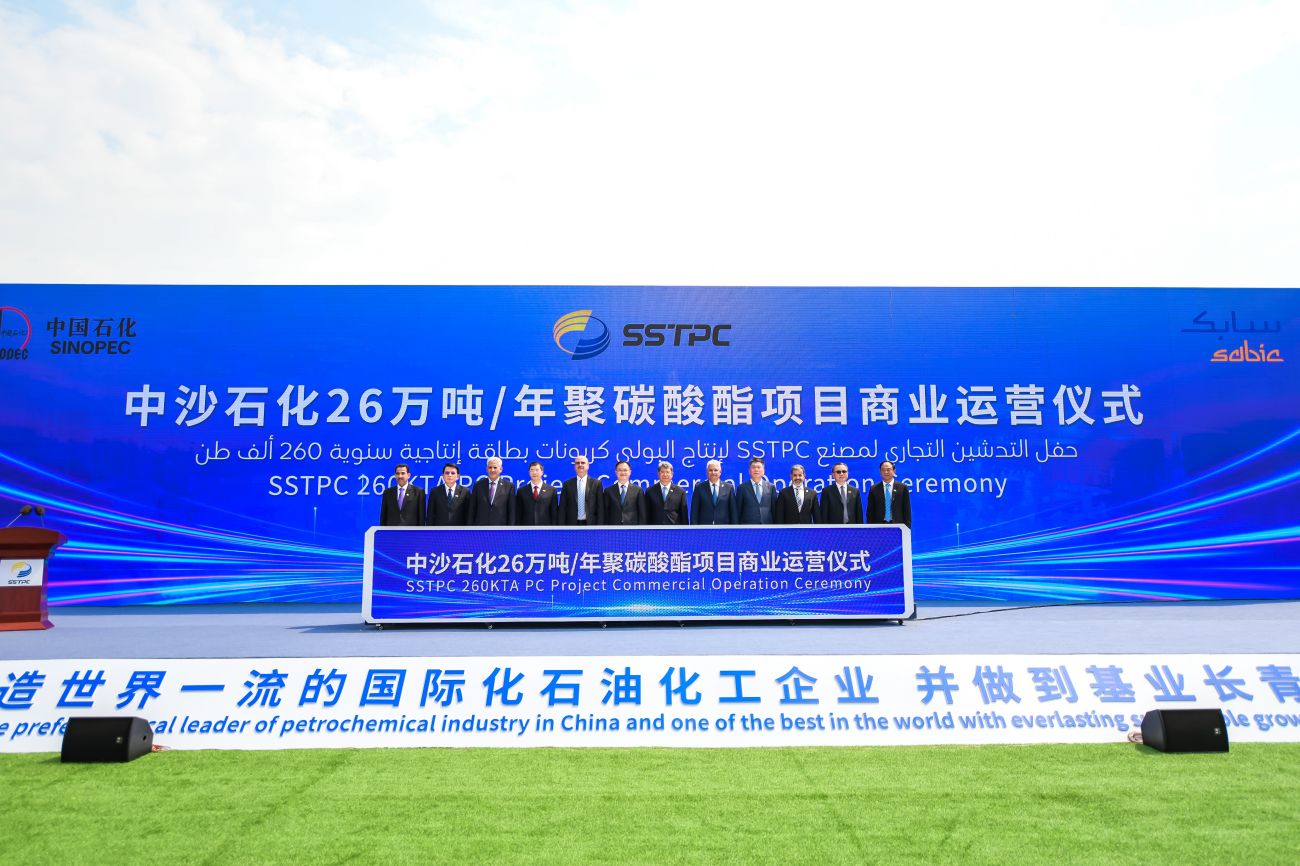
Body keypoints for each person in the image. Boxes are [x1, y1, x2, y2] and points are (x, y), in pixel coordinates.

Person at [469, 457, 515, 525]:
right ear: (487, 469)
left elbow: (512, 511)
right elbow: (472, 509)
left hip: (500, 528)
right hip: (480, 528)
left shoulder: (509, 486)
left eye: (495, 467)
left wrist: (510, 529)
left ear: (501, 469)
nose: (492, 470)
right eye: (490, 467)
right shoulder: (478, 485)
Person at [866, 459, 912, 529]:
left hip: (898, 526)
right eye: (883, 470)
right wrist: (870, 528)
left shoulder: (902, 488)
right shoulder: (874, 489)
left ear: (894, 471)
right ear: (880, 472)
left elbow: (907, 510)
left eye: (888, 469)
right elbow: (870, 512)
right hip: (879, 527)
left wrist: (907, 528)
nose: (886, 472)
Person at [690, 459, 737, 525]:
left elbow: (733, 512)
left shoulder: (729, 488)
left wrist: (734, 529)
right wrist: (694, 529)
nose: (713, 472)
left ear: (720, 472)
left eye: (715, 470)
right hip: (704, 528)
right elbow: (694, 512)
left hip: (724, 528)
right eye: (710, 470)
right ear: (707, 472)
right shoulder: (699, 488)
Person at [561, 454, 603, 526]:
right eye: (577, 463)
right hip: (571, 524)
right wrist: (561, 526)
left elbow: (600, 507)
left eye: (583, 463)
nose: (580, 464)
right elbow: (563, 507)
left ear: (588, 466)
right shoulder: (567, 484)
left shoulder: (596, 484)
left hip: (591, 524)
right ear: (574, 466)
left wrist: (600, 526)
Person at [602, 460, 646, 525]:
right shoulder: (608, 491)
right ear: (616, 472)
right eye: (620, 470)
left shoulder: (638, 490)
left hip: (632, 527)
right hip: (613, 527)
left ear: (630, 472)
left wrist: (641, 528)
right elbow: (605, 513)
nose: (622, 472)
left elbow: (642, 513)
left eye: (625, 470)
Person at [516, 461, 560, 526]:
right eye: (532, 470)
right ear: (529, 472)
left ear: (542, 472)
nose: (534, 472)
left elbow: (554, 512)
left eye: (537, 470)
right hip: (526, 528)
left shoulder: (551, 490)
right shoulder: (521, 491)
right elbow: (518, 513)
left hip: (545, 528)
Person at [737, 457, 776, 524]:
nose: (756, 469)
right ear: (749, 471)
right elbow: (738, 510)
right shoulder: (742, 488)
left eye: (758, 467)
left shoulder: (771, 487)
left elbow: (774, 509)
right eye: (753, 467)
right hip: (748, 526)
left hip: (767, 525)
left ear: (763, 471)